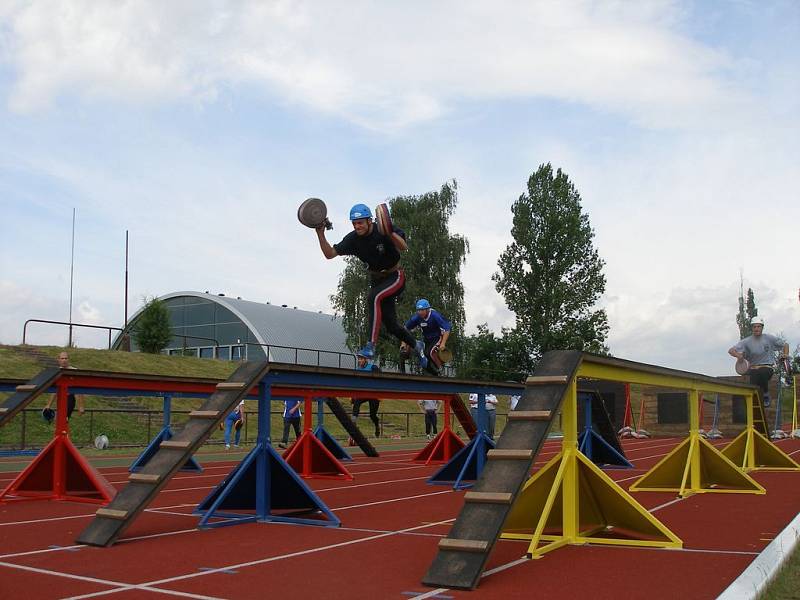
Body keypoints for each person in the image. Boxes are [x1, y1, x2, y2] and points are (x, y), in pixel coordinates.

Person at [316, 203, 419, 360]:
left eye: (360, 223)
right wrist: (320, 234)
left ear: (369, 221)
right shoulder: (352, 239)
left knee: (373, 297)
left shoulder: (382, 229)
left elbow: (404, 247)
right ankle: (418, 345)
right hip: (377, 280)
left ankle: (370, 346)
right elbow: (330, 254)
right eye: (354, 223)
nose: (357, 226)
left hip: (395, 276)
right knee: (391, 326)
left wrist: (389, 233)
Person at [728, 316, 789, 407]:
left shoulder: (769, 338)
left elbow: (785, 345)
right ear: (752, 328)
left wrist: (785, 355)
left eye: (758, 326)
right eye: (754, 326)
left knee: (762, 372)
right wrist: (739, 356)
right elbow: (731, 350)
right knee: (754, 374)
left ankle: (765, 394)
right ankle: (753, 400)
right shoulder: (746, 341)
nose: (756, 328)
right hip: (753, 368)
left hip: (767, 367)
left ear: (762, 327)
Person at [403, 299, 452, 375]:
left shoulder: (435, 316)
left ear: (428, 309)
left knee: (430, 353)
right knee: (424, 358)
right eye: (418, 310)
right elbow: (405, 329)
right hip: (426, 339)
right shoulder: (416, 317)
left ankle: (440, 368)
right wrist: (403, 343)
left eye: (422, 310)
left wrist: (443, 343)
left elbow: (447, 329)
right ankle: (434, 373)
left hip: (437, 338)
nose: (420, 312)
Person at [42, 351, 84, 421]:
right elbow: (55, 390)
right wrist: (49, 404)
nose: (64, 360)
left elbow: (80, 390)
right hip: (60, 398)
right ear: (59, 360)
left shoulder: (74, 371)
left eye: (65, 358)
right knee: (61, 420)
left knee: (63, 418)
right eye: (62, 358)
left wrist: (81, 406)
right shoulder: (57, 372)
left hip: (69, 398)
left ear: (68, 359)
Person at [353, 348, 382, 437]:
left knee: (372, 415)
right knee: (357, 401)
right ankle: (354, 421)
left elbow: (380, 379)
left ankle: (377, 425)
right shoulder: (358, 369)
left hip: (373, 393)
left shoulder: (373, 367)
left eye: (361, 359)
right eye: (358, 359)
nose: (359, 360)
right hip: (364, 393)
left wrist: (379, 393)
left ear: (365, 359)